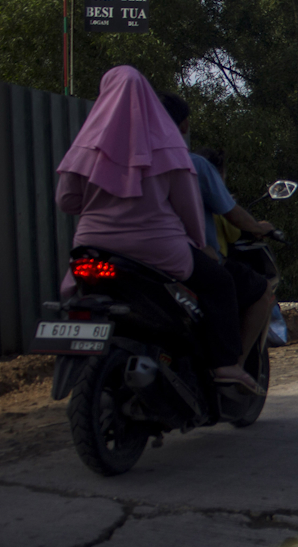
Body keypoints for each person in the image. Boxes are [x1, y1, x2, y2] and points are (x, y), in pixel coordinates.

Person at [55, 65, 259, 392]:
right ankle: (224, 365)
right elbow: (188, 207)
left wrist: (101, 207)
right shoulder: (167, 146)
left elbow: (66, 201)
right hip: (158, 250)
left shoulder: (85, 145)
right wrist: (198, 241)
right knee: (220, 283)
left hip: (93, 247)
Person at [158, 95, 274, 366]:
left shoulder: (129, 161)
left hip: (128, 255)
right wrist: (258, 227)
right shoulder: (193, 165)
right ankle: (231, 364)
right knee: (239, 286)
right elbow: (232, 215)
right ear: (184, 125)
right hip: (182, 256)